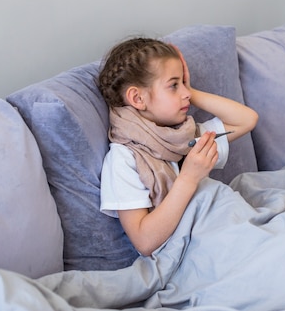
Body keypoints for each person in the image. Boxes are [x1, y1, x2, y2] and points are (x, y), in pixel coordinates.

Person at [97, 37, 258, 257]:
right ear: (137, 98)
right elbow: (144, 242)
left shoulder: (185, 137)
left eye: (183, 82)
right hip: (196, 253)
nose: (186, 94)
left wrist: (192, 90)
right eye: (174, 85)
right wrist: (188, 179)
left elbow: (247, 119)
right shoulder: (124, 158)